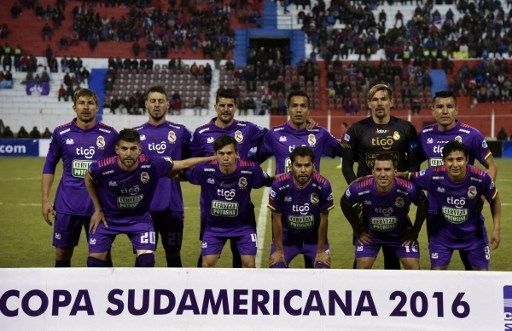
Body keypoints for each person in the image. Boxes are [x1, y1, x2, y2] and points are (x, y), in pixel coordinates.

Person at [84, 129, 214, 267]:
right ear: (117, 149)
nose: (128, 153)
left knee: (147, 261)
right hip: (108, 219)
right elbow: (88, 178)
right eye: (124, 149)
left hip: (139, 219)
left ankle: (138, 288)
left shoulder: (152, 164)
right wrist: (98, 209)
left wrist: (212, 158)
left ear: (140, 149)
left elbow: (184, 164)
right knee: (94, 262)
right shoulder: (102, 167)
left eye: (133, 148)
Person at [254, 90, 343, 268]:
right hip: (285, 215)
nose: (299, 110)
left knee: (317, 276)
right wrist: (268, 179)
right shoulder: (274, 134)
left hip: (313, 213)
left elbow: (344, 151)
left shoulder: (320, 134)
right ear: (288, 108)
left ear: (309, 109)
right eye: (294, 106)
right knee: (277, 270)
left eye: (303, 106)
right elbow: (253, 162)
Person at [341, 83, 420, 270]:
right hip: (365, 201)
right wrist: (357, 191)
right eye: (375, 100)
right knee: (363, 245)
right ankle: (358, 290)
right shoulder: (356, 130)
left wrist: (406, 189)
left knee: (392, 252)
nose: (379, 103)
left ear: (391, 102)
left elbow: (414, 164)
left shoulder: (407, 129)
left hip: (396, 196)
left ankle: (391, 294)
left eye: (383, 99)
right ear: (369, 103)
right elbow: (346, 165)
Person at [418, 90, 498, 269]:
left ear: (456, 110)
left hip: (467, 212)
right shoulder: (424, 135)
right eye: (439, 107)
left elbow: (491, 166)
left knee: (474, 271)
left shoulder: (472, 135)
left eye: (449, 106)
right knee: (438, 271)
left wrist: (483, 194)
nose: (444, 111)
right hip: (437, 215)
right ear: (432, 110)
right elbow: (413, 168)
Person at [190, 88, 268, 268]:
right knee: (207, 255)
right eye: (222, 105)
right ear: (215, 107)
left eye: (230, 106)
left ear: (235, 107)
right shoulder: (201, 133)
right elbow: (193, 162)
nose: (226, 109)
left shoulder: (248, 129)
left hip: (241, 204)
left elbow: (269, 141)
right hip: (211, 206)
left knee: (240, 255)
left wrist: (252, 162)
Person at [41, 88, 118, 267]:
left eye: (90, 103)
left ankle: (102, 294)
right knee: (62, 255)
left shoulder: (110, 135)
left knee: (102, 257)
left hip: (98, 208)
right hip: (67, 206)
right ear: (74, 107)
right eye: (81, 103)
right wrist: (45, 200)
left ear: (96, 107)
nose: (86, 107)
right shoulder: (61, 133)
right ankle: (62, 293)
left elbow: (118, 168)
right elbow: (49, 166)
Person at [406, 141, 501, 270]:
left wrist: (496, 228)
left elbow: (494, 199)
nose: (455, 164)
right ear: (444, 161)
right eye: (450, 160)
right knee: (437, 274)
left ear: (467, 159)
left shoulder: (481, 177)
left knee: (482, 275)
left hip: (474, 236)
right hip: (442, 236)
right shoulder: (432, 174)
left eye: (459, 159)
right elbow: (409, 176)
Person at [185, 135, 272, 268]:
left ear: (237, 154)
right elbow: (182, 174)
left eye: (229, 153)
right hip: (214, 228)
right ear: (215, 155)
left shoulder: (250, 169)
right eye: (221, 153)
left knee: (249, 266)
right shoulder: (204, 170)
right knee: (206, 265)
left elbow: (268, 180)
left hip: (243, 227)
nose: (226, 157)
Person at [133, 85, 191, 267]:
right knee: (144, 258)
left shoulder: (181, 132)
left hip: (172, 208)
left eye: (160, 101)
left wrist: (184, 176)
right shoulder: (135, 134)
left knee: (174, 257)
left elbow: (190, 163)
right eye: (152, 101)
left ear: (167, 104)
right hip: (143, 210)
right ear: (146, 104)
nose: (156, 105)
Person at [340, 153, 427, 269]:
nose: (382, 174)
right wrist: (357, 230)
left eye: (387, 170)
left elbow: (424, 202)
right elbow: (344, 202)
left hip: (400, 236)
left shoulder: (407, 188)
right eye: (378, 170)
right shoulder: (359, 187)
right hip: (371, 236)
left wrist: (415, 231)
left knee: (414, 268)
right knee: (362, 267)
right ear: (372, 172)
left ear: (395, 172)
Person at [268, 147, 334, 269]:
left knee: (323, 271)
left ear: (313, 166)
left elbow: (324, 219)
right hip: (287, 240)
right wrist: (278, 250)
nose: (303, 170)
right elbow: (276, 219)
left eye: (307, 165)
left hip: (313, 240)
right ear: (291, 166)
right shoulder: (279, 184)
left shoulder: (323, 185)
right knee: (276, 268)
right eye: (298, 165)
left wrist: (320, 251)